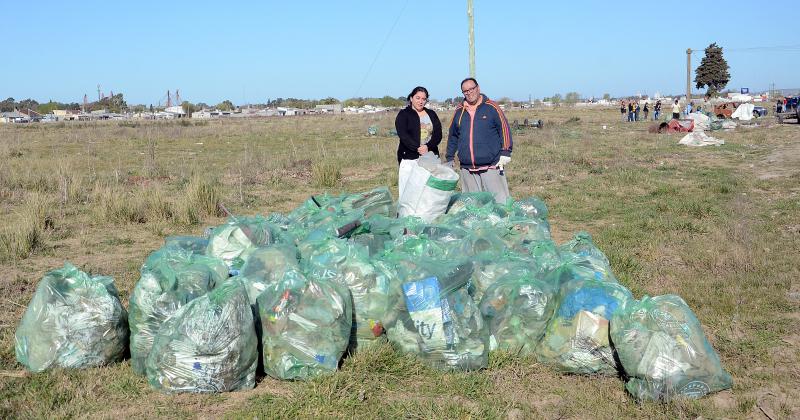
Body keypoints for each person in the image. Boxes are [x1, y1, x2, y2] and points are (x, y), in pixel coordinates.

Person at [446, 77, 512, 203]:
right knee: (472, 206)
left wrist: (506, 152)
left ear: (478, 88)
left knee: (500, 203)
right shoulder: (459, 111)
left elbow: (504, 129)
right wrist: (449, 157)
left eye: (471, 89)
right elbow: (453, 135)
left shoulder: (492, 107)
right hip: (467, 167)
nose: (469, 92)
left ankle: (503, 222)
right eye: (465, 91)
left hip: (491, 165)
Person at [394, 86, 442, 164]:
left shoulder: (431, 114)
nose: (420, 101)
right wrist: (418, 148)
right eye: (418, 98)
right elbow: (403, 135)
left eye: (423, 99)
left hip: (430, 154)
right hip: (410, 157)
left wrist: (427, 146)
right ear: (411, 98)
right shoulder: (403, 114)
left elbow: (438, 134)